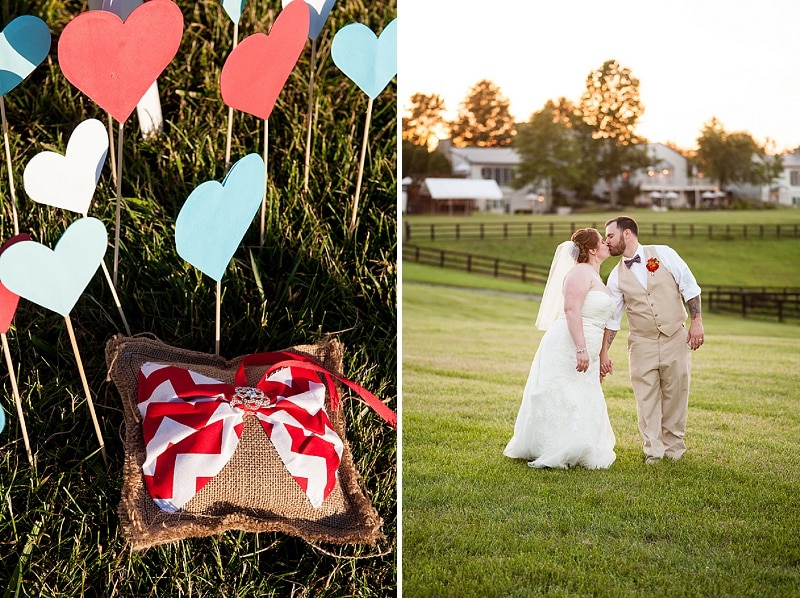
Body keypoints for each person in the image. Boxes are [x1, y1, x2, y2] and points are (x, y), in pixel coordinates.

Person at [504, 228, 616, 469]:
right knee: (562, 393)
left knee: (581, 395)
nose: (608, 244)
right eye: (602, 241)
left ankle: (580, 444)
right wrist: (581, 348)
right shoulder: (578, 273)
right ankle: (554, 445)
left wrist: (601, 351)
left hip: (591, 345)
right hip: (569, 343)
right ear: (593, 250)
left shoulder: (596, 276)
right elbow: (570, 310)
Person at [600, 216, 704, 464]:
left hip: (675, 338)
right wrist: (604, 352)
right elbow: (613, 320)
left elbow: (689, 287)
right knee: (646, 399)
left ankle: (674, 449)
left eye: (610, 236)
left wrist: (696, 322)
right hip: (641, 344)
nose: (607, 241)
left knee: (676, 393)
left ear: (627, 234)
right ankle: (653, 452)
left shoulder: (664, 254)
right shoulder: (615, 277)